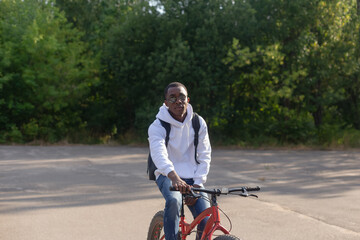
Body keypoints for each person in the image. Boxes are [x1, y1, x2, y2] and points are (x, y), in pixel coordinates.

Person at [148, 82, 212, 240]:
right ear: (166, 103)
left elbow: (205, 154)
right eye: (172, 98)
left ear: (188, 100)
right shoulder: (157, 126)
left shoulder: (198, 122)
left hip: (193, 177)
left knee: (206, 220)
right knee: (174, 200)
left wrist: (197, 184)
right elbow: (159, 154)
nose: (178, 101)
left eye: (182, 97)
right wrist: (175, 178)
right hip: (167, 175)